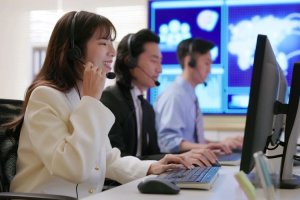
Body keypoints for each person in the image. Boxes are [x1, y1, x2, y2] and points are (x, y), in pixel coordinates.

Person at [8, 11, 199, 199]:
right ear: (75, 51)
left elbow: (107, 159)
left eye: (111, 43)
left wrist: (151, 166)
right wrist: (91, 100)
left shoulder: (83, 98)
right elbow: (73, 168)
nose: (113, 51)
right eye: (103, 43)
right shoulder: (45, 97)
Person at [100, 29, 217, 166]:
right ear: (130, 61)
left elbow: (152, 155)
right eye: (154, 61)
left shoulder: (146, 107)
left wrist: (183, 158)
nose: (160, 69)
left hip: (140, 182)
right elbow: (114, 161)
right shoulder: (109, 101)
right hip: (115, 186)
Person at [154, 38, 243, 154]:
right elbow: (168, 142)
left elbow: (192, 141)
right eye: (206, 63)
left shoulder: (189, 94)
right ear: (189, 61)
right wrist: (209, 147)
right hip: (180, 168)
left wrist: (221, 144)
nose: (210, 70)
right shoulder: (174, 96)